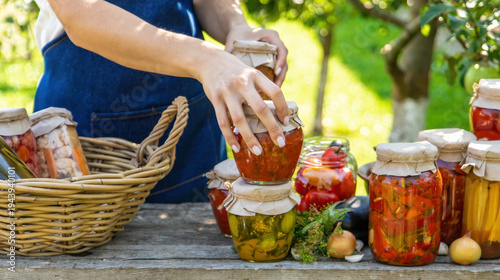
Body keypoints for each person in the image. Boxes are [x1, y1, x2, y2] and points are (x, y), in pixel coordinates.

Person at [32, 0, 289, 203]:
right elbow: (80, 13)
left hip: (191, 138)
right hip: (88, 134)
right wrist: (205, 59)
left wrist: (235, 25)